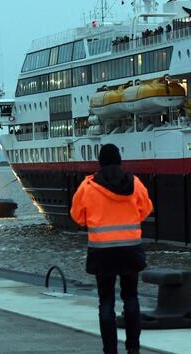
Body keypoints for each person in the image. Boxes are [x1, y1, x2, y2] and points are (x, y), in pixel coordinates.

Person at [71, 144, 153, 354]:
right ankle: (133, 349)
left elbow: (77, 217)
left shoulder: (88, 186)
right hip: (130, 249)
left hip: (102, 251)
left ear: (100, 162)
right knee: (131, 298)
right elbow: (146, 210)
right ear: (119, 161)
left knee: (106, 301)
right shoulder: (135, 183)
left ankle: (110, 350)